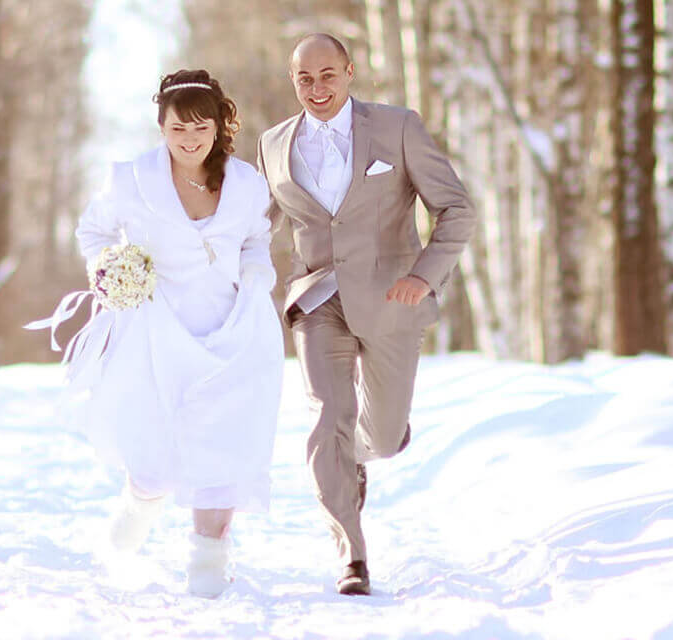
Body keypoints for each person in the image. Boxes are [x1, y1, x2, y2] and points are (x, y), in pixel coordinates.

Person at [33, 69, 282, 598]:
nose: (189, 140)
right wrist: (110, 269)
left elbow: (258, 239)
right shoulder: (131, 178)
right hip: (156, 329)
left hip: (233, 330)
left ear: (219, 125)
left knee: (224, 441)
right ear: (161, 128)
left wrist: (258, 277)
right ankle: (134, 516)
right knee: (154, 454)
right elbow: (93, 231)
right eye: (177, 130)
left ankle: (208, 564)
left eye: (200, 128)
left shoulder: (247, 183)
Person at [254, 33, 477, 596]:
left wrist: (422, 275)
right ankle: (351, 555)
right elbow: (256, 227)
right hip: (316, 301)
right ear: (292, 81)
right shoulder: (274, 143)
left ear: (350, 72)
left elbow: (455, 209)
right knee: (328, 414)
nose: (316, 88)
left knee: (378, 433)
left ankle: (359, 453)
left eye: (327, 75)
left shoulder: (397, 127)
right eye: (304, 78)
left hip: (389, 300)